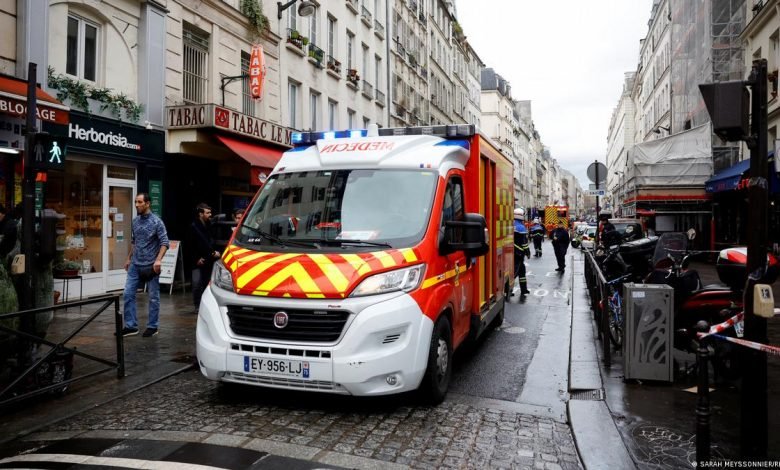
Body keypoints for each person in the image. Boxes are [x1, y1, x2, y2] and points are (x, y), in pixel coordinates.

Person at [121, 193, 169, 337]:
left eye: (140, 202)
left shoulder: (157, 222)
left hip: (151, 266)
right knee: (127, 294)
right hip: (135, 264)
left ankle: (153, 326)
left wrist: (158, 260)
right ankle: (131, 326)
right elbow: (135, 242)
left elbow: (165, 243)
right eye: (135, 202)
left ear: (147, 204)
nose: (136, 205)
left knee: (153, 297)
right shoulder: (135, 221)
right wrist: (128, 258)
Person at [188, 203, 220, 312]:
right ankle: (197, 305)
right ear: (200, 214)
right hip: (198, 260)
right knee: (197, 283)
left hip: (209, 259)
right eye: (207, 213)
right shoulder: (193, 226)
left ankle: (205, 305)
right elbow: (190, 245)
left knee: (207, 283)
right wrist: (197, 258)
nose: (210, 215)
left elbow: (211, 241)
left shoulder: (210, 225)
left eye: (210, 212)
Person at [513, 208, 531, 298]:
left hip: (512, 252)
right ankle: (508, 290)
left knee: (522, 271)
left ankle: (524, 290)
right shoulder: (521, 227)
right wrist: (528, 252)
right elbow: (524, 243)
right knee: (514, 272)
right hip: (519, 253)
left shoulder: (511, 224)